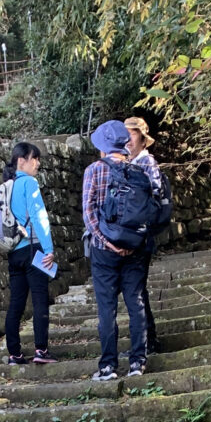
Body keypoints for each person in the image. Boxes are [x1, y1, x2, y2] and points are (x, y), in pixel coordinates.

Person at [82, 120, 149, 381]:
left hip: (103, 251)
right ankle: (137, 363)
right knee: (136, 303)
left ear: (102, 147)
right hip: (135, 248)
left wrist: (107, 241)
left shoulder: (94, 170)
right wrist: (133, 241)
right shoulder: (138, 172)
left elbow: (88, 213)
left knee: (107, 307)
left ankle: (108, 366)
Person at [1, 141, 57, 367]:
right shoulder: (29, 183)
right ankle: (41, 350)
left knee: (16, 303)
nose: (38, 163)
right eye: (35, 158)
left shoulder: (7, 185)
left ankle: (14, 354)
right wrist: (50, 248)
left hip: (13, 251)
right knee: (40, 299)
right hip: (33, 248)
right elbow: (38, 217)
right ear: (21, 160)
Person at [125, 116, 166, 355]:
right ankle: (147, 339)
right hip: (130, 235)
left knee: (137, 289)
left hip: (141, 235)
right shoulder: (127, 162)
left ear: (142, 138)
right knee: (136, 289)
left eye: (132, 135)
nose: (128, 140)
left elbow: (154, 196)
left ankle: (148, 341)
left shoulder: (147, 162)